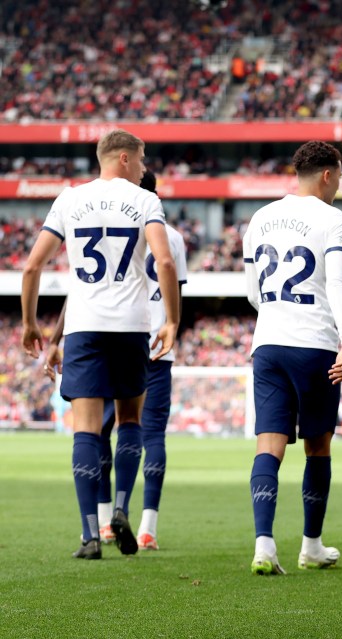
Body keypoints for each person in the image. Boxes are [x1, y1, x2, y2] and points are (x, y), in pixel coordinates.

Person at [21, 129, 180, 560]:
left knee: (86, 429)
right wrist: (173, 321)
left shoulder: (69, 198)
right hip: (130, 326)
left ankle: (91, 535)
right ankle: (124, 509)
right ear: (124, 158)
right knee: (130, 420)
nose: (145, 167)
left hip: (85, 326)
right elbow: (163, 261)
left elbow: (33, 266)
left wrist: (30, 324)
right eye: (143, 159)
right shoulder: (146, 201)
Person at [241, 140, 342, 575]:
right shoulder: (331, 219)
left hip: (267, 342)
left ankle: (264, 545)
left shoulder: (260, 217)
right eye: (340, 176)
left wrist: (275, 315)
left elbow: (252, 291)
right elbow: (338, 283)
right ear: (327, 174)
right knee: (317, 446)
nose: (339, 185)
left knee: (268, 446)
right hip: (316, 344)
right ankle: (311, 545)